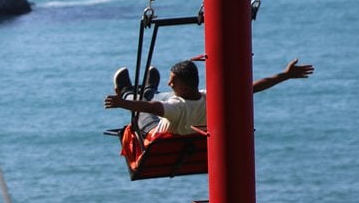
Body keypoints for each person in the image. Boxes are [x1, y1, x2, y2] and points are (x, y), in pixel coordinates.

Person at [104, 58, 314, 162]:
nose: (170, 83)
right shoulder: (212, 98)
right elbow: (252, 87)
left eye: (173, 81)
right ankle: (150, 89)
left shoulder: (176, 107)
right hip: (189, 135)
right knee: (159, 97)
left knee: (142, 107)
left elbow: (149, 108)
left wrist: (122, 103)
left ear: (185, 86)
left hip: (157, 137)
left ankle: (126, 91)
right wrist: (285, 76)